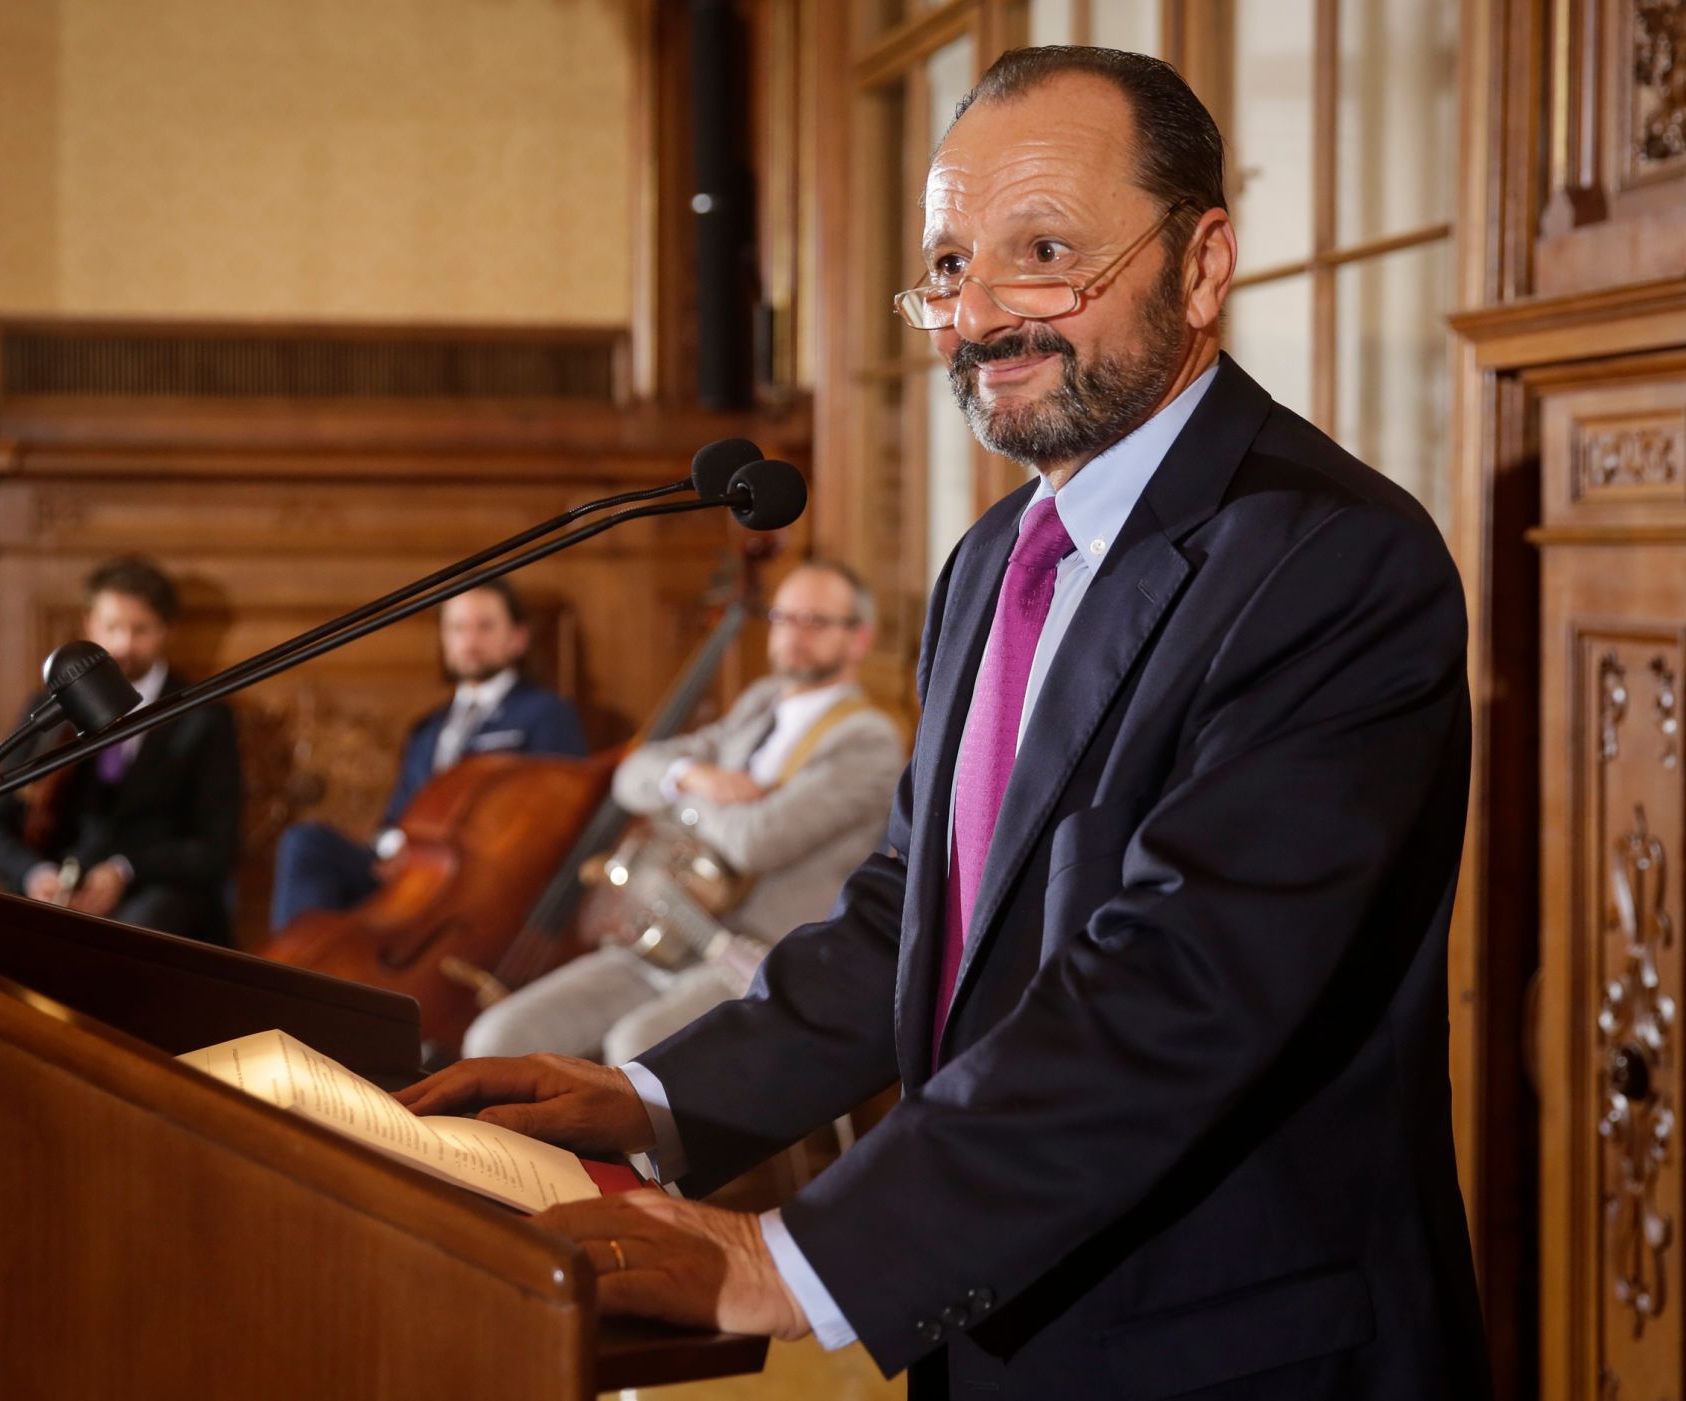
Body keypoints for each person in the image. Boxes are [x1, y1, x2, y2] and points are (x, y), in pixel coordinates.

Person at [397, 46, 1490, 1399]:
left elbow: (1178, 988)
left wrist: (791, 1259)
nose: (983, 315)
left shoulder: (1333, 563)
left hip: (1229, 1345)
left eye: (1044, 252)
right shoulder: (994, 560)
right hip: (996, 1323)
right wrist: (669, 1103)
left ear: (1202, 267)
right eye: (952, 264)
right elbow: (919, 916)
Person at [461, 560, 903, 1066]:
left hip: (758, 959)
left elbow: (755, 840)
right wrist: (697, 778)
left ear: (859, 639)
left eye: (816, 621)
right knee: (494, 1041)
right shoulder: (761, 704)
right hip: (665, 937)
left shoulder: (867, 740)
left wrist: (682, 797)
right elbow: (633, 776)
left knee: (635, 1051)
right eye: (784, 617)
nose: (793, 634)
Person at [269, 580, 586, 931]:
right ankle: (294, 974)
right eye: (457, 628)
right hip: (407, 871)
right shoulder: (428, 727)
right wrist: (395, 850)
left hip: (477, 875)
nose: (470, 641)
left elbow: (559, 816)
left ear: (517, 638)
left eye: (485, 627)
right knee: (305, 843)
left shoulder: (545, 713)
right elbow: (396, 817)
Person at [0, 556, 243, 944]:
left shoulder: (205, 717)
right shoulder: (51, 707)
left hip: (156, 900)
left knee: (133, 936)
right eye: (112, 627)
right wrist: (36, 876)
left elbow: (217, 847)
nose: (123, 645)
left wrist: (125, 870)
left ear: (167, 630)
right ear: (88, 624)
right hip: (59, 895)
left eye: (141, 630)